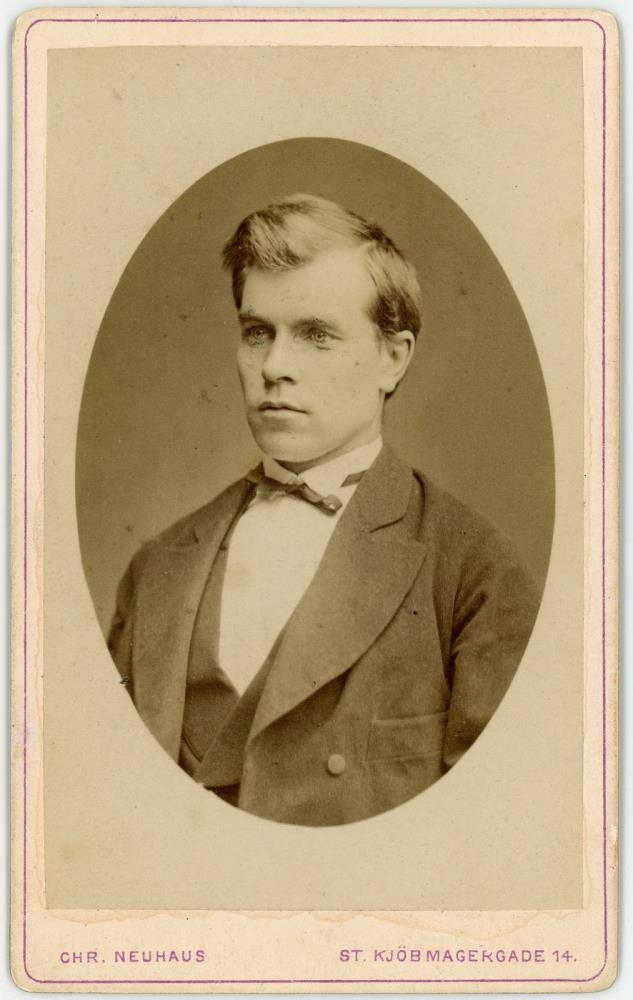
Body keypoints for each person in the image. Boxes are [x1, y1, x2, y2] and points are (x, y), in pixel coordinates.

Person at [108, 194, 540, 826]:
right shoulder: (154, 570)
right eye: (257, 333)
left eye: (316, 335)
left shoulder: (476, 573)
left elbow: (487, 830)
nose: (274, 367)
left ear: (393, 358)